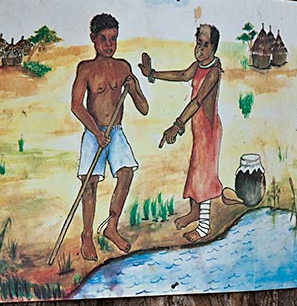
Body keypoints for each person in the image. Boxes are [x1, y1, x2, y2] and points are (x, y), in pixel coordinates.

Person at [70, 13, 148, 260]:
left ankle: (111, 226)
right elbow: (76, 106)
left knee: (126, 173)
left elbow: (144, 108)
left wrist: (134, 89)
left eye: (113, 39)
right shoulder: (86, 68)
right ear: (93, 39)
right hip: (94, 132)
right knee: (89, 183)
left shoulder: (123, 67)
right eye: (104, 39)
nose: (109, 45)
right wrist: (95, 131)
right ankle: (87, 235)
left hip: (115, 131)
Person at [139, 24, 224, 242]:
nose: (200, 49)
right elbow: (182, 75)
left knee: (204, 174)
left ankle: (204, 226)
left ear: (213, 48)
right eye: (198, 43)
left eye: (205, 45)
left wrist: (177, 125)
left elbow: (197, 101)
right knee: (195, 170)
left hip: (209, 129)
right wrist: (152, 74)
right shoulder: (198, 66)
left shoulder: (214, 71)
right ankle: (194, 212)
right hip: (198, 128)